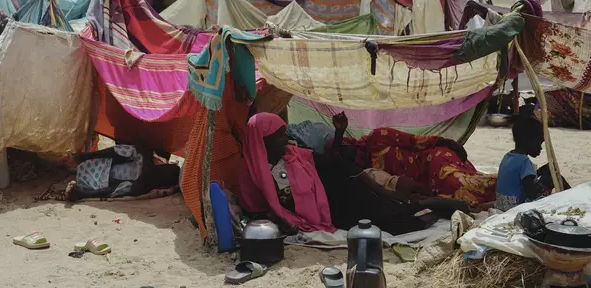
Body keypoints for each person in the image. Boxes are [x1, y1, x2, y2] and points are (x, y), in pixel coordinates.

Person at [238, 113, 469, 235]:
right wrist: (281, 219)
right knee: (396, 225)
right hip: (333, 211)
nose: (285, 139)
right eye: (278, 135)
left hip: (338, 192)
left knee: (393, 211)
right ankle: (432, 207)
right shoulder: (251, 177)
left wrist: (338, 134)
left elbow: (330, 163)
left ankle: (432, 204)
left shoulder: (294, 154)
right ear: (262, 140)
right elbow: (257, 212)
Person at [329, 113, 497, 207]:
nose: (347, 156)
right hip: (425, 179)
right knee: (456, 195)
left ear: (349, 143)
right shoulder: (368, 173)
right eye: (343, 157)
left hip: (432, 159)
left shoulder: (377, 137)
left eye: (345, 149)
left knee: (458, 185)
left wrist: (450, 143)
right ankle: (506, 191)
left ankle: (510, 186)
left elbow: (414, 140)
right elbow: (334, 160)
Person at [495, 115, 570, 212]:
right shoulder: (524, 161)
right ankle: (574, 197)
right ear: (530, 140)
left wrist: (539, 172)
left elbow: (520, 181)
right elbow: (531, 193)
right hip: (516, 208)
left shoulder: (508, 156)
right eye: (540, 143)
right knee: (552, 176)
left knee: (548, 173)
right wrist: (544, 179)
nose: (541, 148)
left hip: (503, 204)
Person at [64, 140, 180, 201]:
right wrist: (147, 161)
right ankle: (84, 156)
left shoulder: (146, 185)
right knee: (129, 150)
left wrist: (147, 165)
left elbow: (137, 187)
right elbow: (139, 141)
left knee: (122, 189)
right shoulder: (147, 161)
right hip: (102, 165)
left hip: (101, 182)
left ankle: (82, 194)